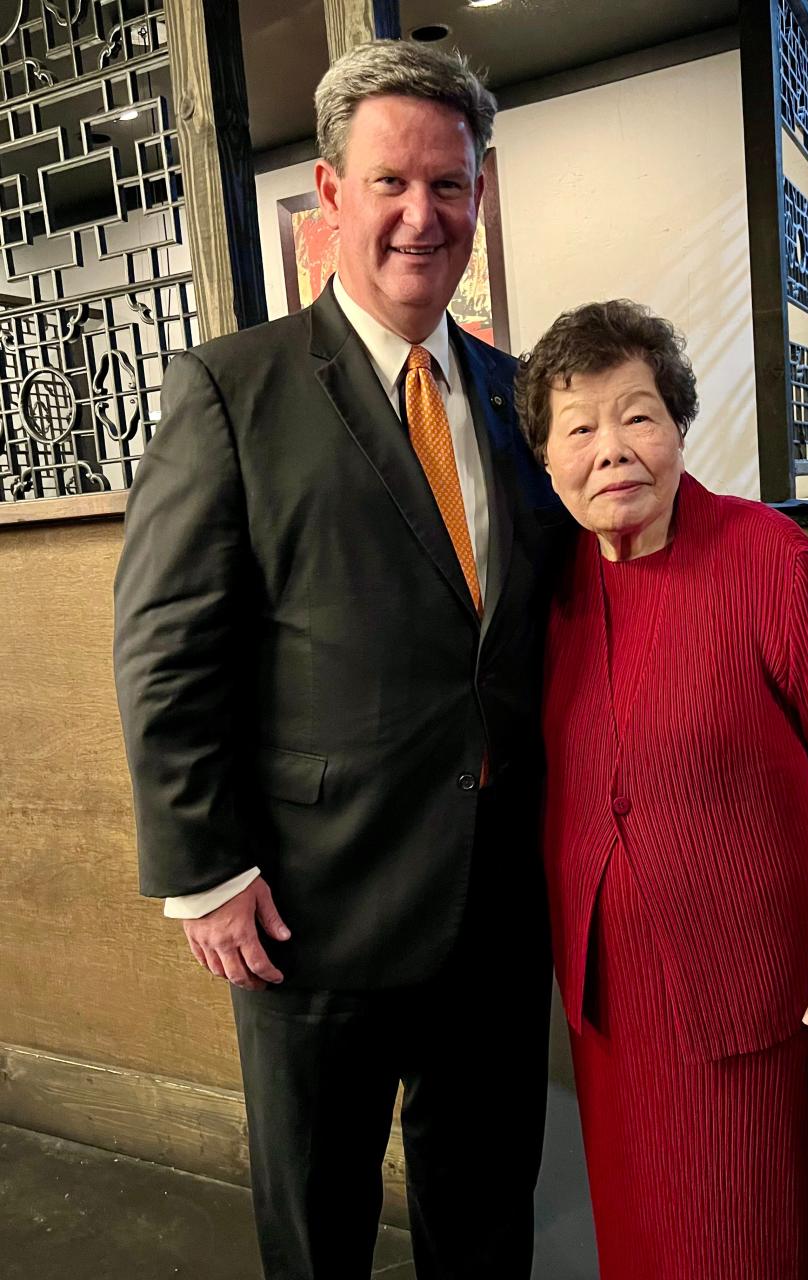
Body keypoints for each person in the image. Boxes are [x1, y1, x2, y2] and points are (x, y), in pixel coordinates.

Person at [114, 40, 564, 1280]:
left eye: (451, 184)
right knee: (316, 1234)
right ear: (330, 193)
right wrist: (201, 870)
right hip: (310, 909)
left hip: (493, 904)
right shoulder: (231, 387)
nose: (424, 215)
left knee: (488, 1217)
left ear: (481, 194)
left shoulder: (521, 395)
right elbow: (163, 648)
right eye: (391, 183)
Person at [514, 299, 808, 1280]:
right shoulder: (550, 588)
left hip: (741, 978)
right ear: (547, 457)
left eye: (638, 413)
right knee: (639, 1233)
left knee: (748, 1231)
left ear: (680, 424)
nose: (612, 449)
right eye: (579, 427)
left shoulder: (765, 560)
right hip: (611, 995)